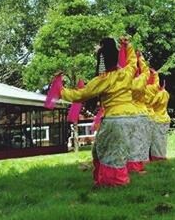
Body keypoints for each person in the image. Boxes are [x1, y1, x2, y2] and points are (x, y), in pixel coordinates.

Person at [59, 37, 148, 186]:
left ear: (102, 60)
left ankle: (116, 183)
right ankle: (106, 179)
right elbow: (132, 62)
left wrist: (60, 90)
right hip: (132, 118)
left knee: (110, 152)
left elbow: (79, 95)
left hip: (116, 119)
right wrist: (128, 46)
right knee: (101, 148)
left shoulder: (103, 80)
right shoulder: (126, 73)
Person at [147, 69, 171, 161]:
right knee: (163, 140)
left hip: (157, 119)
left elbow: (151, 104)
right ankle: (162, 155)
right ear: (164, 84)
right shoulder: (166, 93)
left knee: (156, 141)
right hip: (165, 118)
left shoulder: (158, 95)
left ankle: (157, 157)